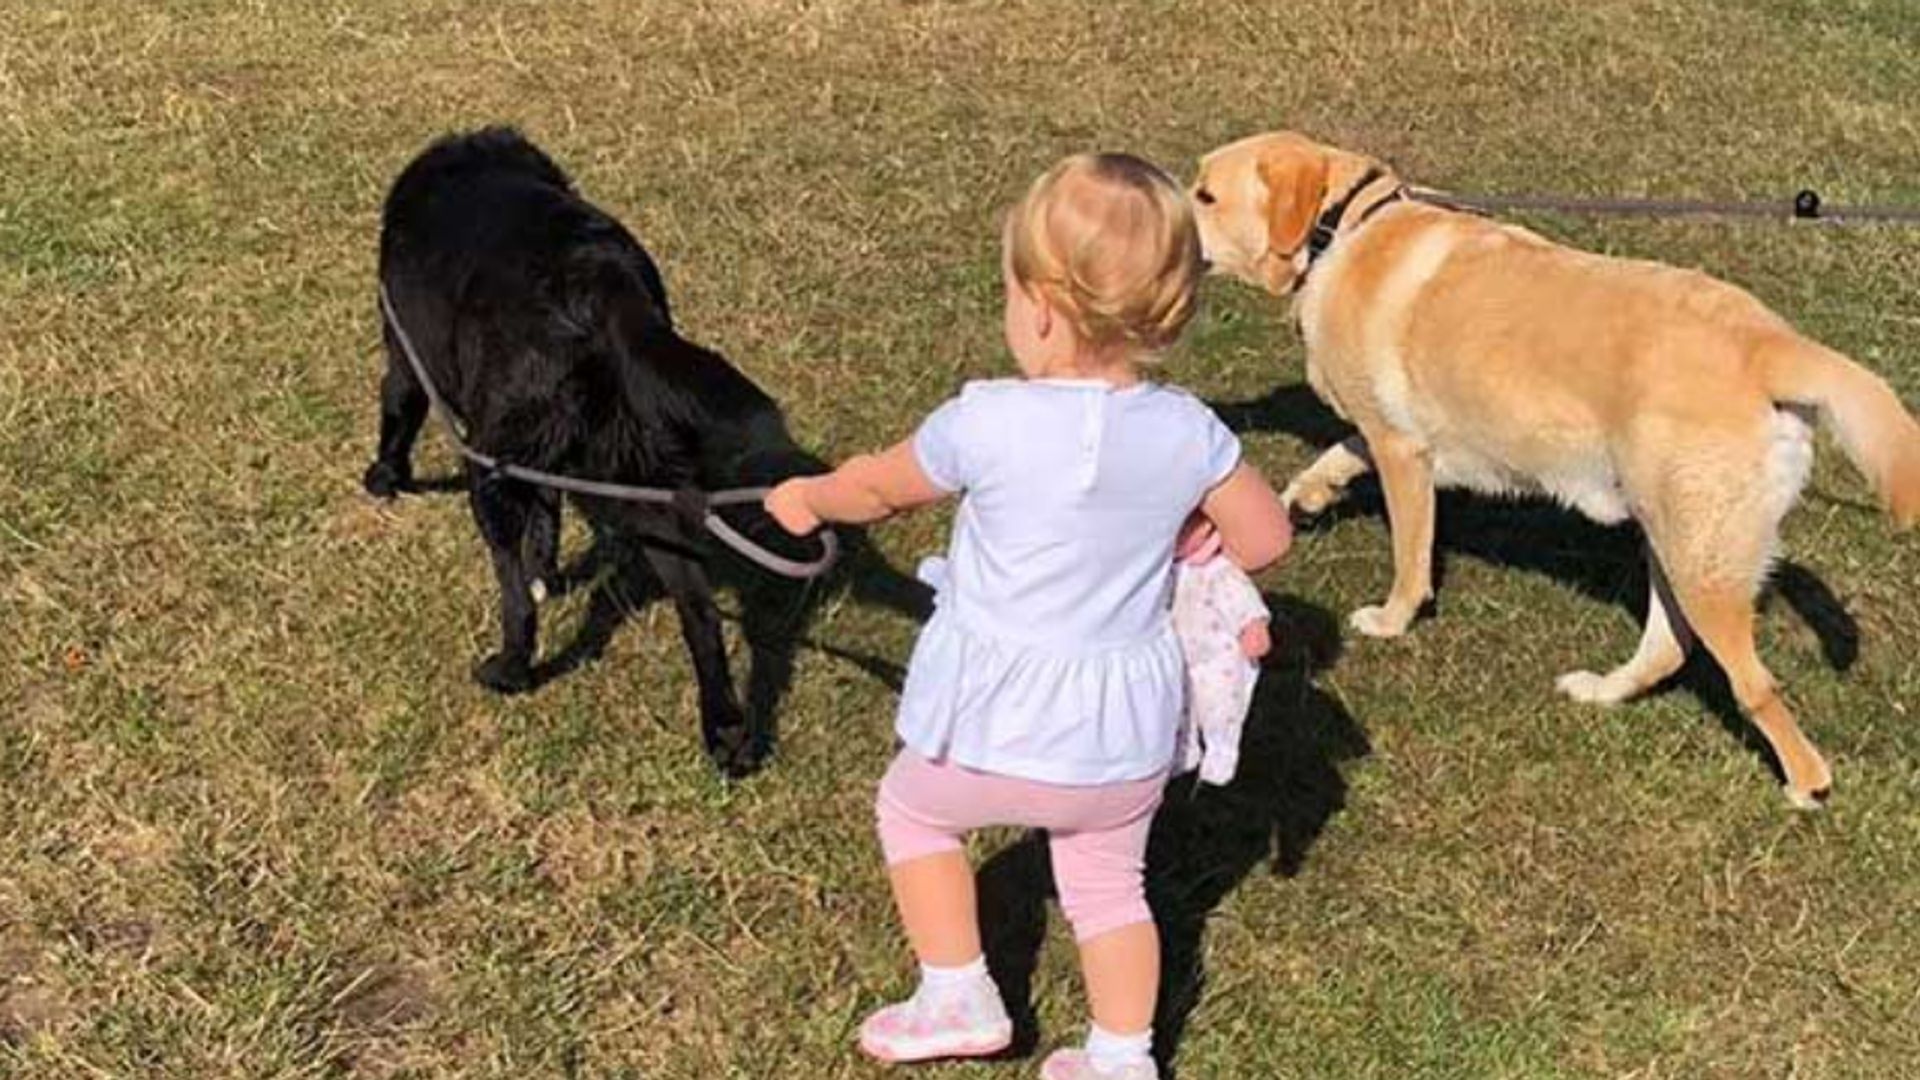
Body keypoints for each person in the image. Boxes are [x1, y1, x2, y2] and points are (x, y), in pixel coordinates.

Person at [764, 152, 1291, 1079]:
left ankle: (957, 992)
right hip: (1121, 732)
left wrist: (807, 495)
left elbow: (880, 490)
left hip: (989, 719)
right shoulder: (1188, 432)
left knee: (914, 818)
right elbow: (1268, 537)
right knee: (1109, 889)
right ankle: (1123, 1057)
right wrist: (1197, 535)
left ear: (1040, 307)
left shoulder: (984, 420)